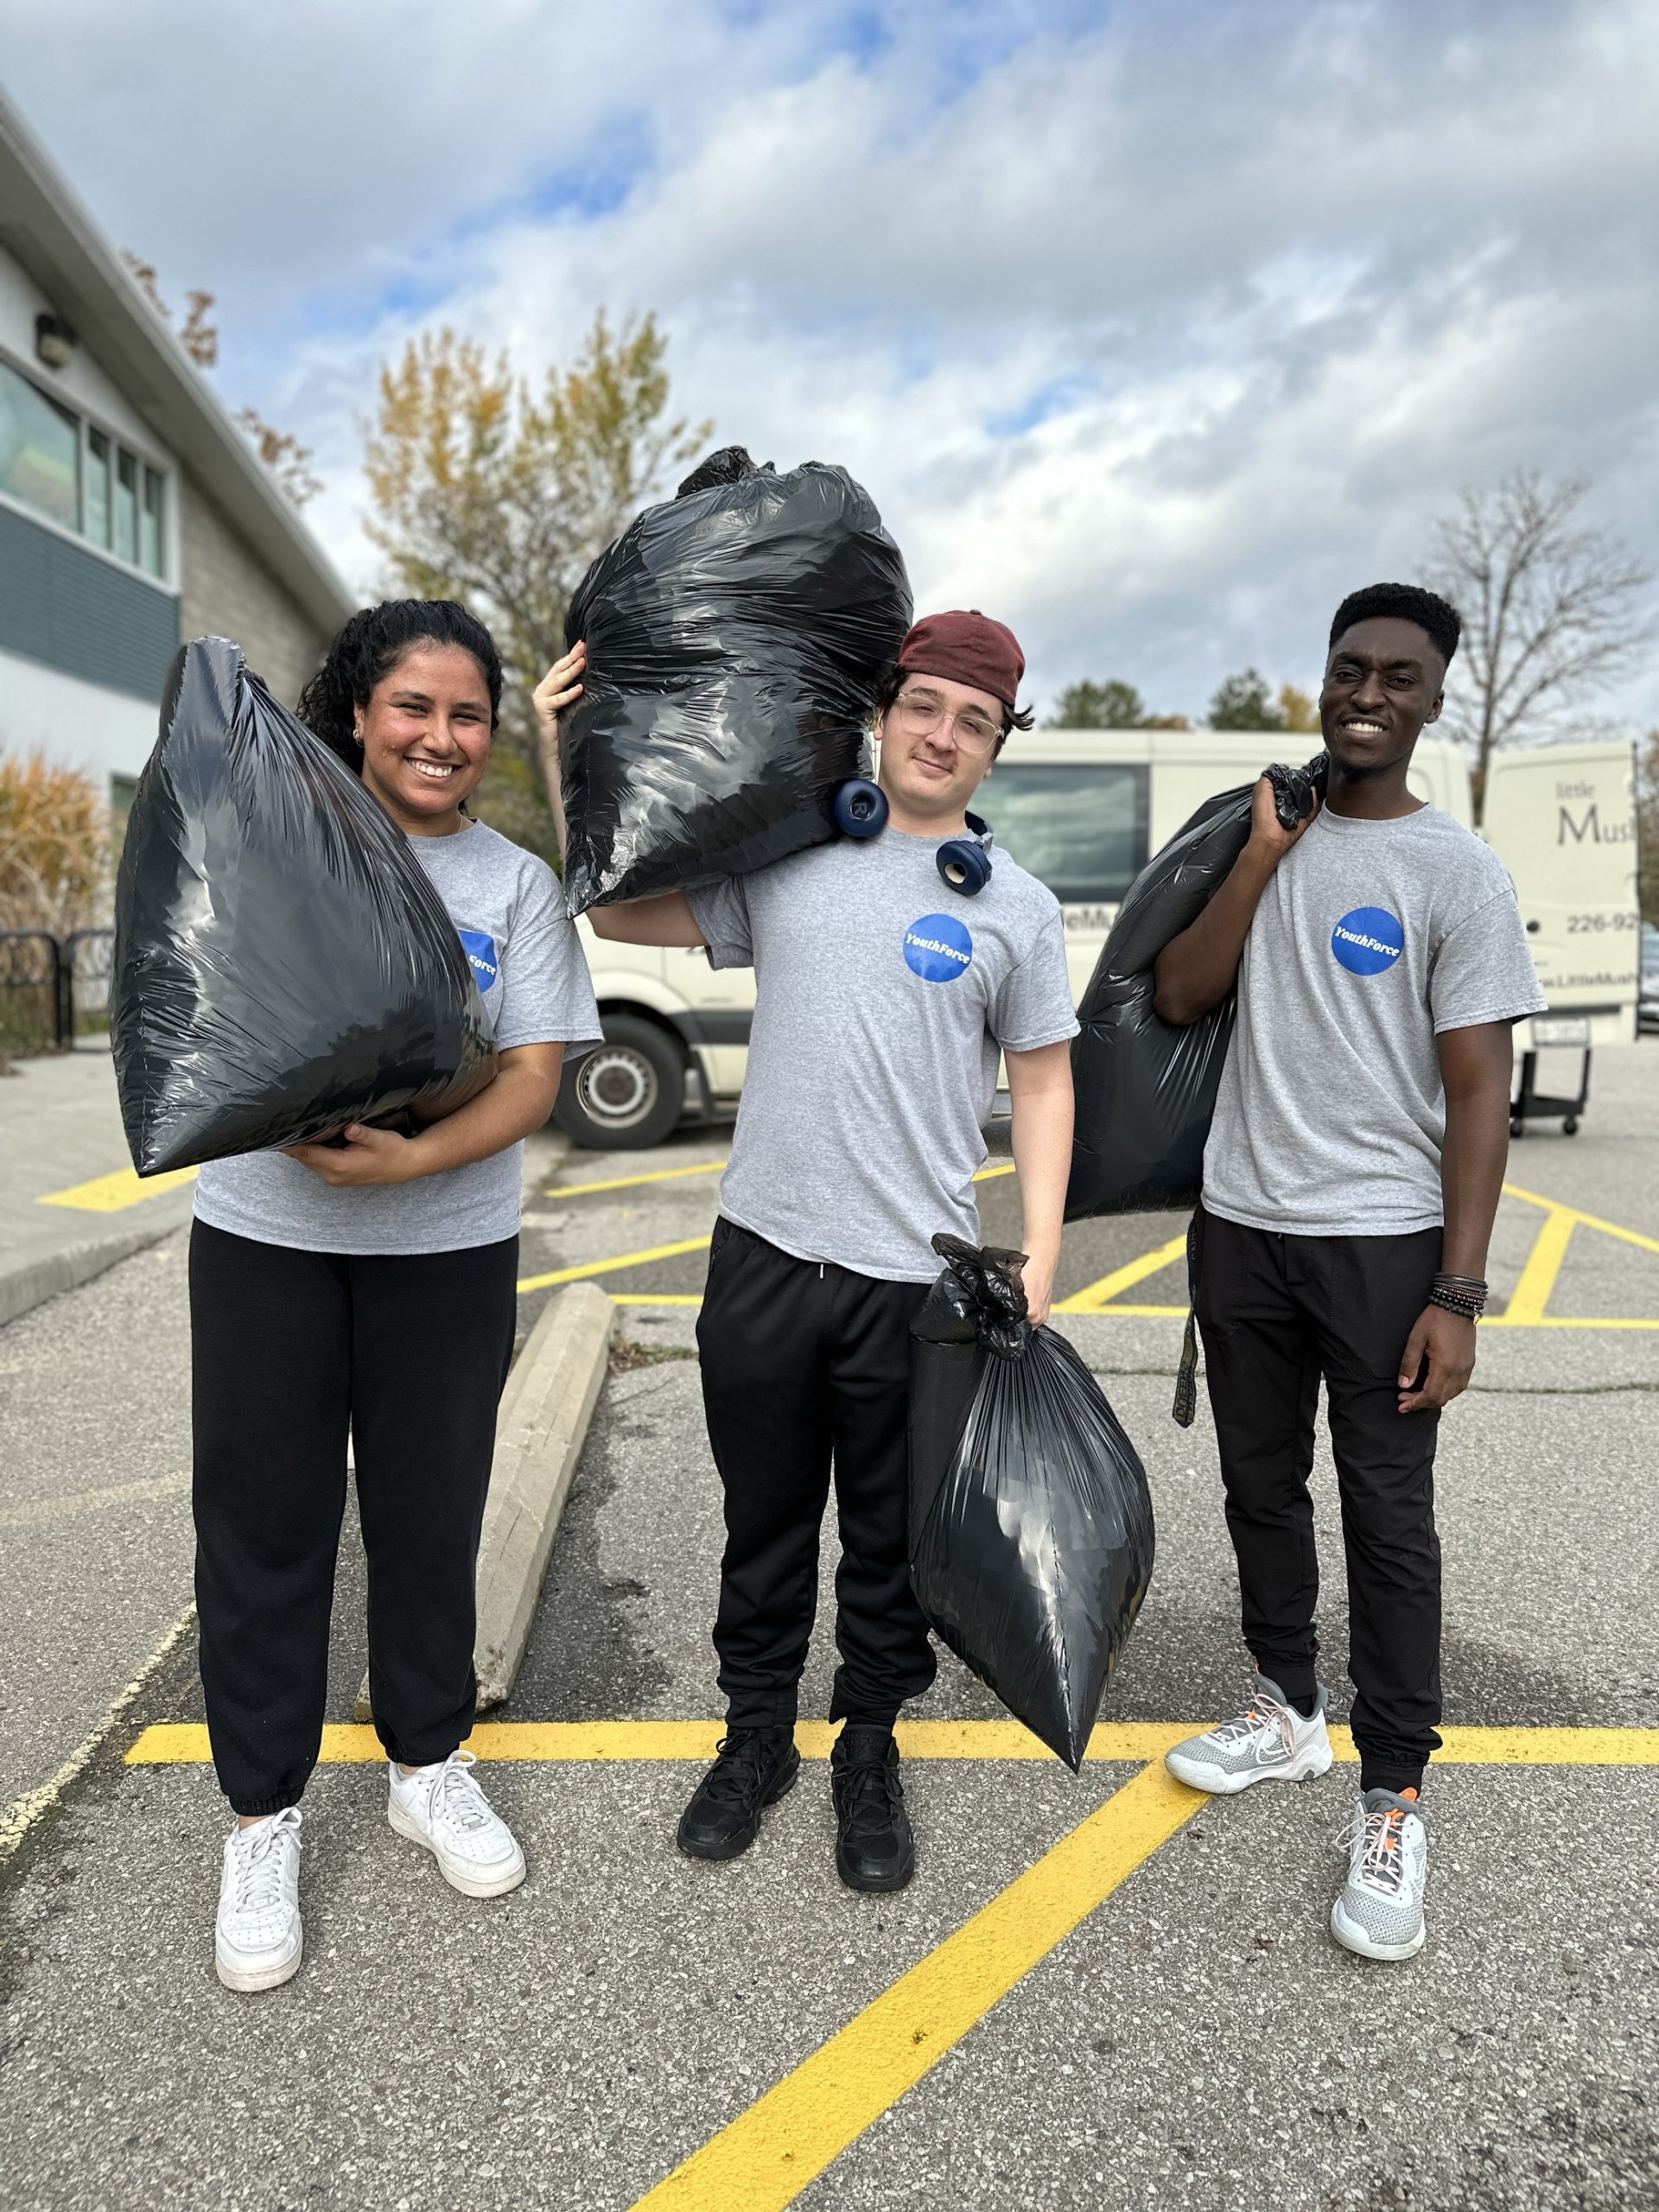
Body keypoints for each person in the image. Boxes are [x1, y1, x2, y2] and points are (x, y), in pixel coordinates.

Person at [534, 611, 1078, 1891]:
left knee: (888, 1544)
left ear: (997, 748)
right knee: (764, 1519)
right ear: (886, 709)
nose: (945, 735)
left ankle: (869, 1745)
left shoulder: (1016, 909)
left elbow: (1045, 1083)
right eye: (929, 705)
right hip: (766, 1257)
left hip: (919, 1278)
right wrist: (568, 748)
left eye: (976, 722)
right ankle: (758, 1737)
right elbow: (618, 913)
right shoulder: (790, 853)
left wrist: (1039, 1252)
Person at [192, 600, 601, 1993]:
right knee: (264, 1528)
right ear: (358, 712)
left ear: (492, 731)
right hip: (262, 1236)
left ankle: (429, 1763)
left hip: (447, 1251)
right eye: (413, 707)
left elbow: (537, 1076)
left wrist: (412, 1160)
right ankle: (263, 1814)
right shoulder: (273, 847)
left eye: (468, 714)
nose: (441, 737)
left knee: (431, 1519)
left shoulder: (515, 887)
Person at [1156, 582, 1545, 1961]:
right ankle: (1286, 1710)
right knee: (1259, 1484)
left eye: (1397, 675)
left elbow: (1481, 1095)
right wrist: (1261, 863)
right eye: (1347, 669)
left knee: (1388, 1523)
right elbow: (1180, 995)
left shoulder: (1459, 873)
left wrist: (1458, 1291)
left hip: (1384, 1249)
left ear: (1434, 699)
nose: (1366, 693)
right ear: (1320, 682)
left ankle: (1394, 1792)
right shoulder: (1268, 835)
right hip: (1242, 1228)